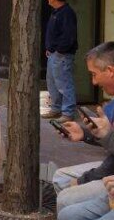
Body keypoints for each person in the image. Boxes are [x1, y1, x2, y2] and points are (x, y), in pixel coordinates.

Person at [53, 42, 114, 213]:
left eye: (94, 74)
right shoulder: (111, 105)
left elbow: (110, 162)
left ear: (110, 71)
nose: (93, 82)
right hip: (109, 171)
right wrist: (85, 133)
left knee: (67, 204)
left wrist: (83, 180)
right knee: (61, 178)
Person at [42, 0, 78, 123]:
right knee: (52, 83)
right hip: (53, 54)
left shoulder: (67, 13)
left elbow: (69, 36)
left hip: (61, 55)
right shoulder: (56, 12)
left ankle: (68, 112)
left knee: (64, 84)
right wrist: (50, 49)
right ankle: (56, 109)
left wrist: (58, 50)